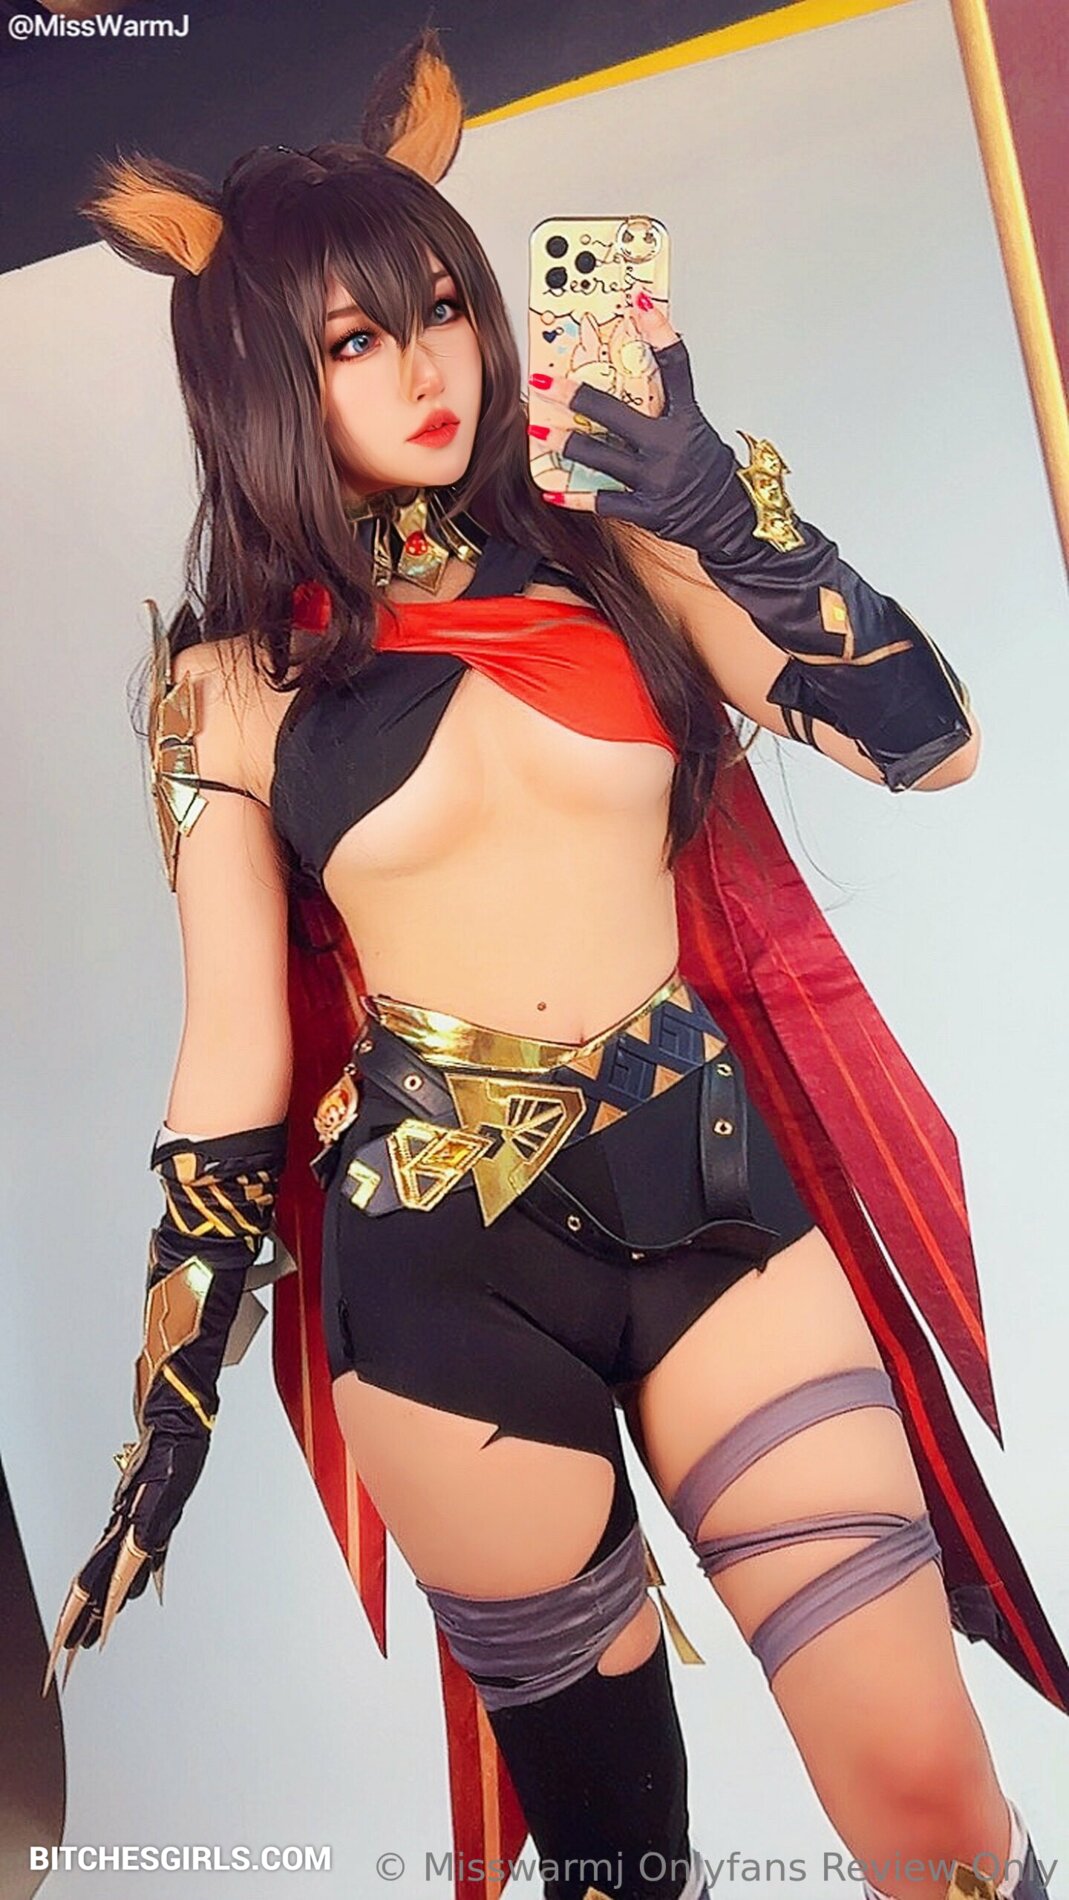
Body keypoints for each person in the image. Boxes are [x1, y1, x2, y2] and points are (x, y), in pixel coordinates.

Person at [42, 30, 1065, 1900]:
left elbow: (930, 742)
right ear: (261, 378)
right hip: (438, 1274)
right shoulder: (226, 692)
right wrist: (167, 1415)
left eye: (442, 308)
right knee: (618, 1867)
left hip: (707, 1193)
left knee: (935, 1814)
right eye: (356, 340)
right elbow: (231, 1060)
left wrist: (721, 509)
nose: (428, 366)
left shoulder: (617, 552)